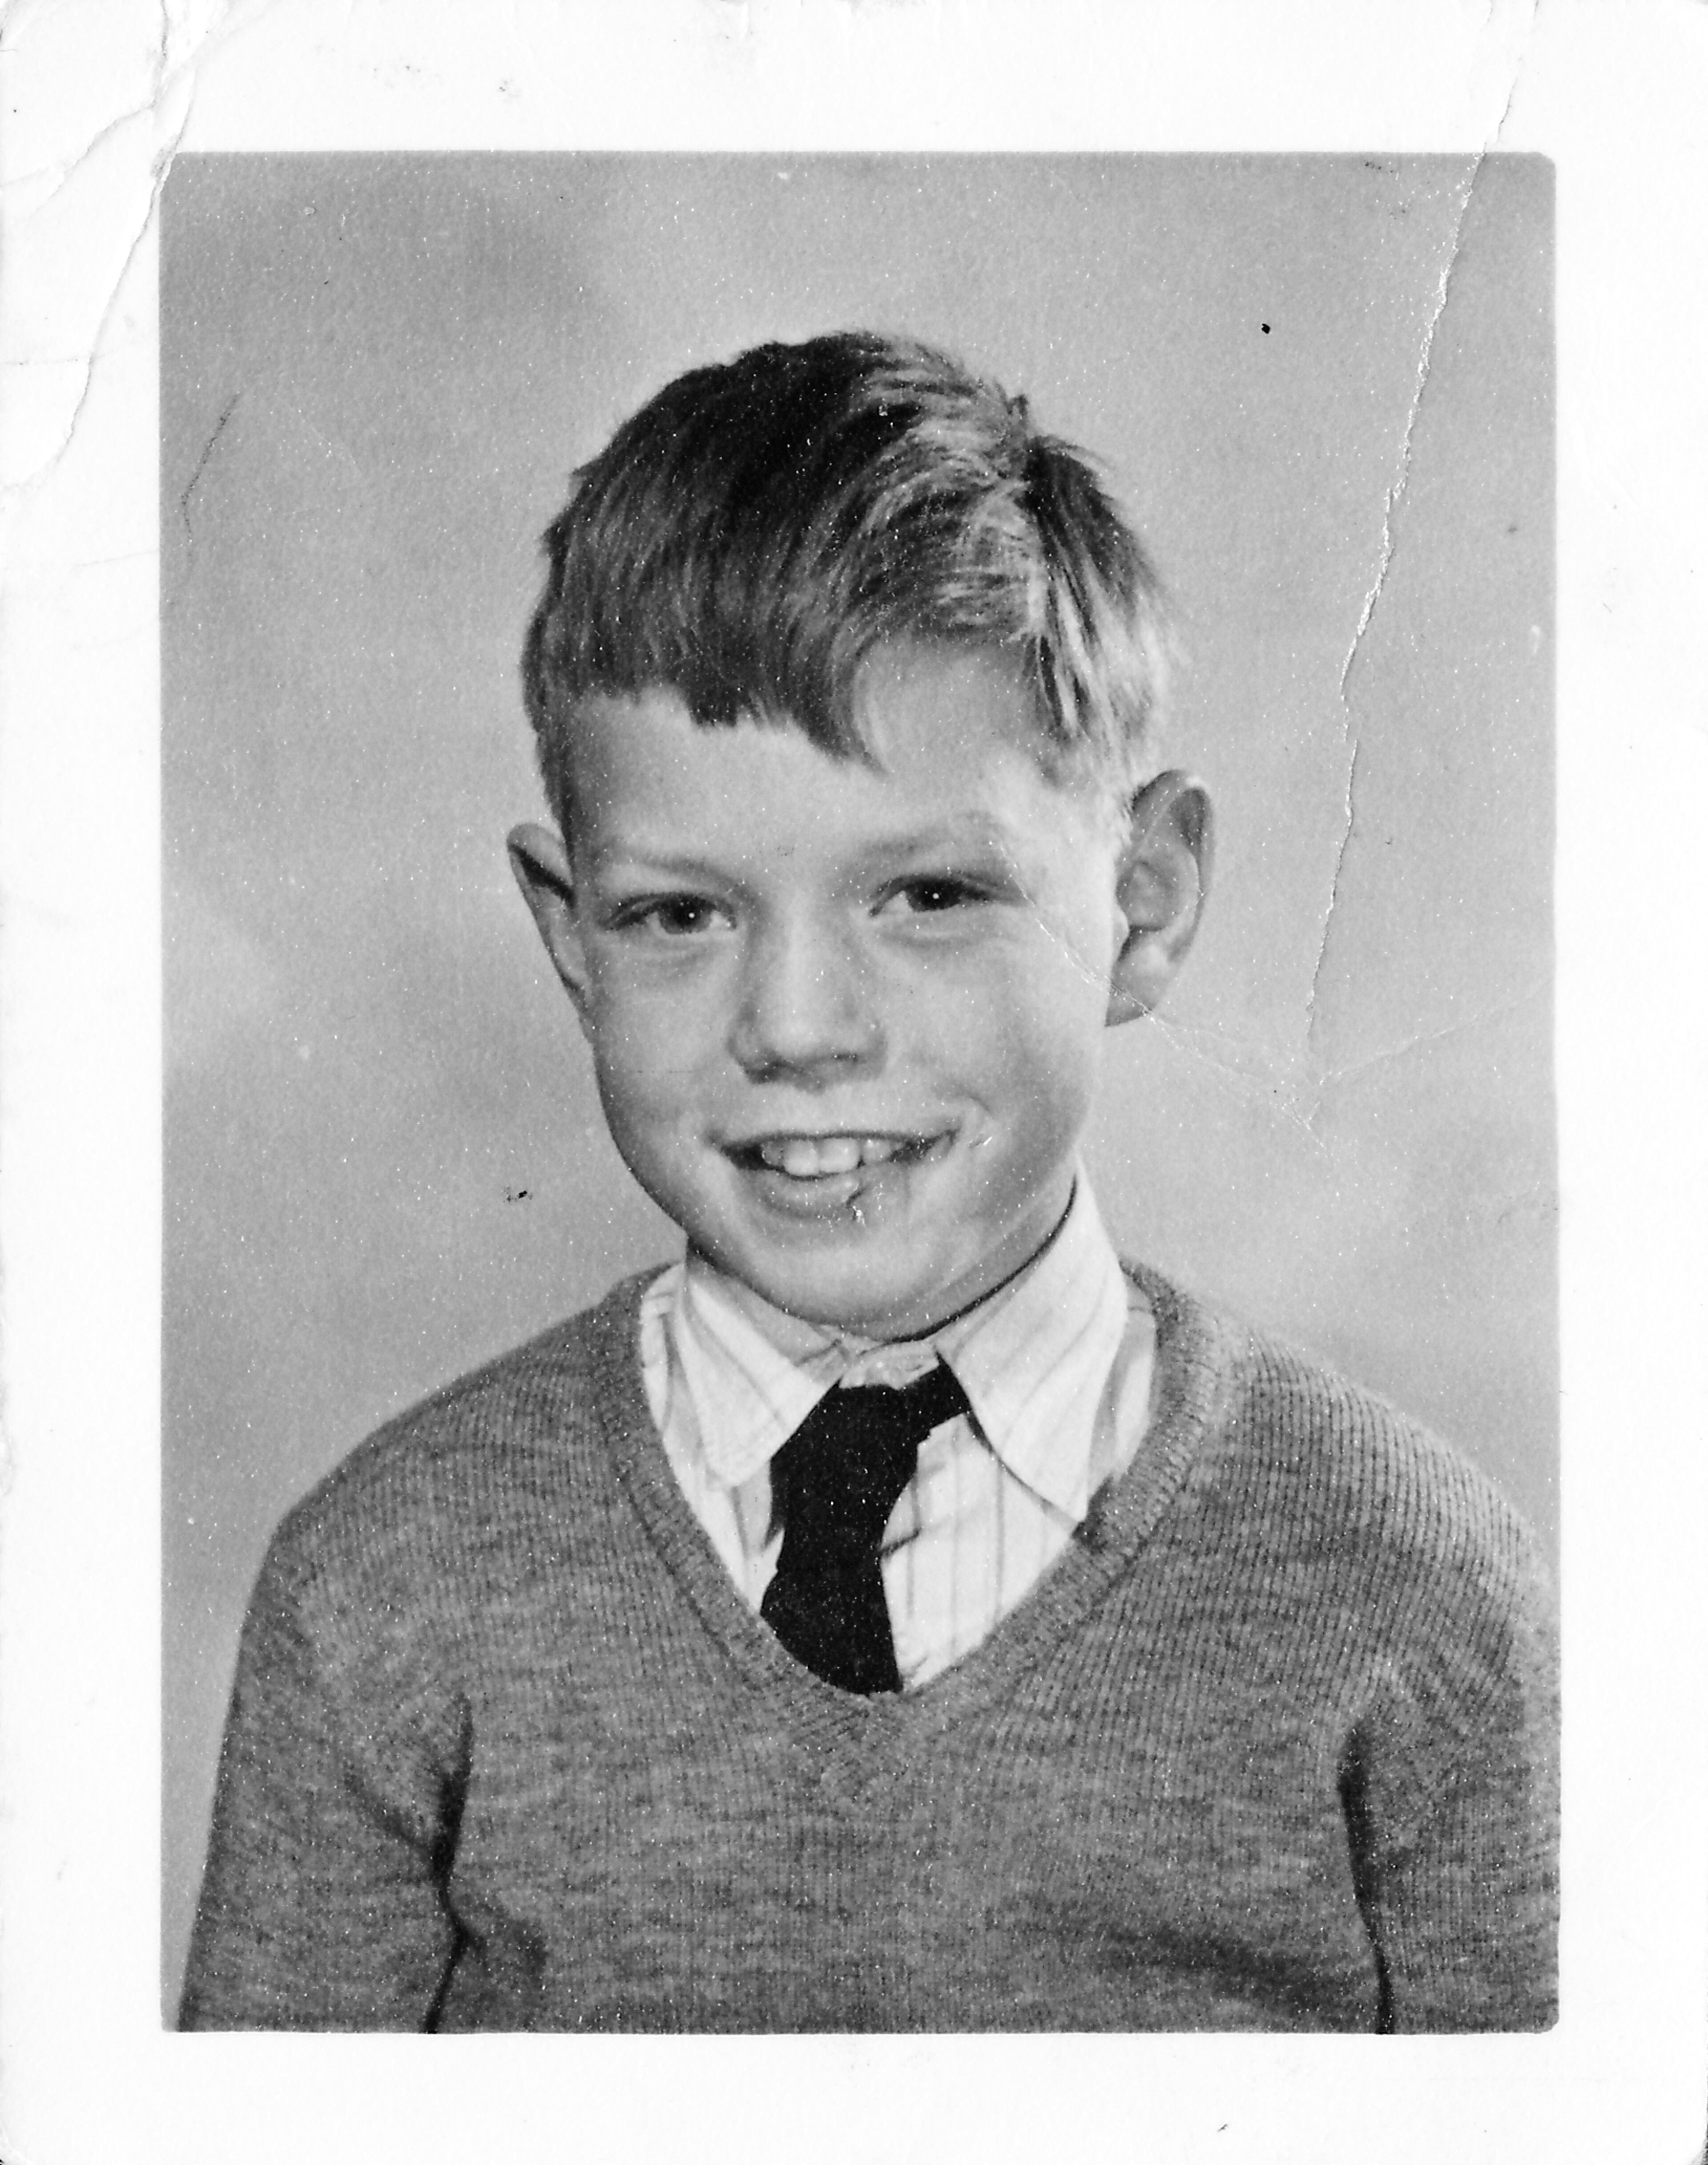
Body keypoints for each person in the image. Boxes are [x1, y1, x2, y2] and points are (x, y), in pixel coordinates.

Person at [179, 331, 1556, 2032]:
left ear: (1145, 898)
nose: (799, 1029)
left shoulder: (1411, 1592)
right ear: (569, 937)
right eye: (681, 913)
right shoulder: (383, 1590)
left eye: (925, 896)